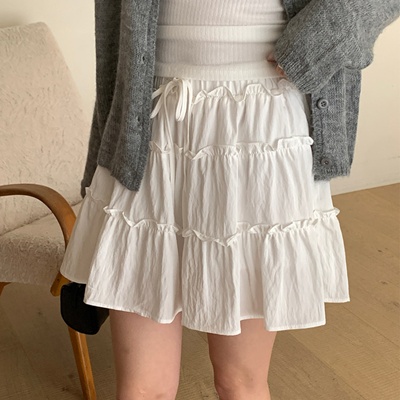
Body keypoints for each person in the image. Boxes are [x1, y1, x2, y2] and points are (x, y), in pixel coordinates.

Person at [60, 1, 400, 399]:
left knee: (241, 382)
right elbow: (114, 42)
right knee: (143, 388)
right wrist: (101, 159)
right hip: (149, 121)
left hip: (261, 127)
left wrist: (321, 37)